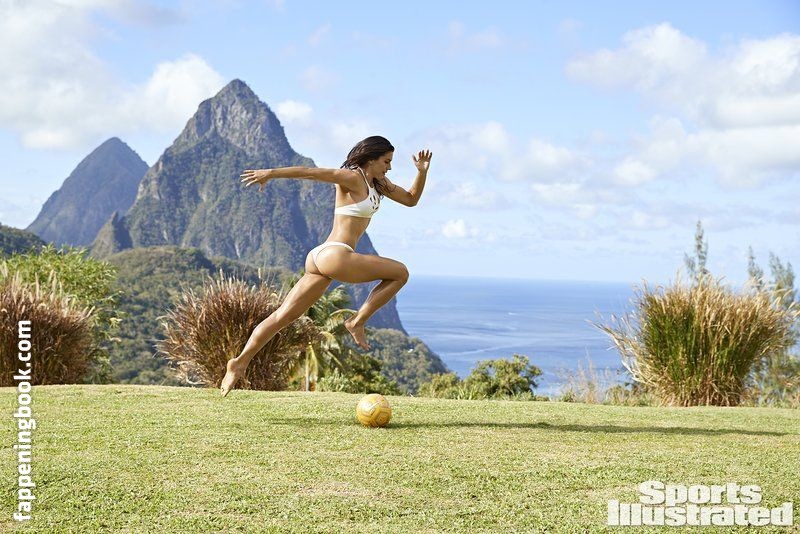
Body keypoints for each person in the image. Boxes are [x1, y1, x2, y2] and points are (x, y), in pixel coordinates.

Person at [220, 136, 432, 396]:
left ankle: (239, 362)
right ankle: (357, 322)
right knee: (400, 273)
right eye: (386, 161)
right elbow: (310, 173)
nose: (389, 167)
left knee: (283, 316)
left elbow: (411, 199)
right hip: (335, 254)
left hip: (321, 257)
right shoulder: (352, 177)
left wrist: (421, 172)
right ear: (371, 159)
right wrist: (270, 174)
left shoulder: (379, 184)